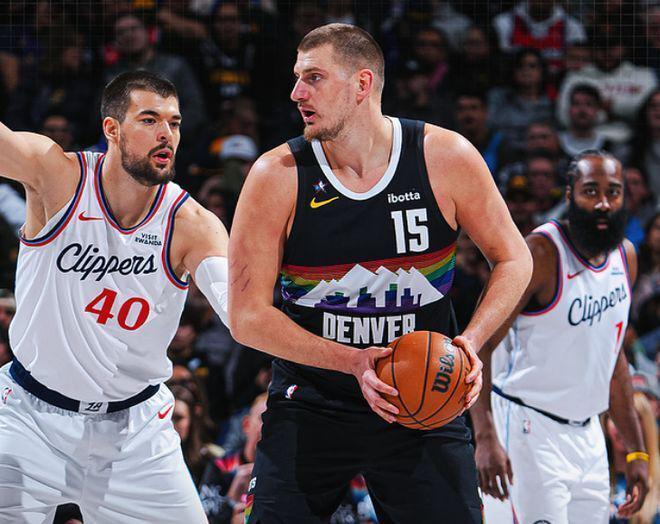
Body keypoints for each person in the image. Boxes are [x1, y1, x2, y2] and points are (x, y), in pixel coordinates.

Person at [228, 23, 532, 522]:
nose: (296, 93)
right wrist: (352, 362)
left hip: (426, 394)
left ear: (362, 84)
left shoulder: (444, 157)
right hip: (313, 401)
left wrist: (471, 342)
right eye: (297, 78)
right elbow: (246, 318)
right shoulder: (275, 176)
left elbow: (516, 259)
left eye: (313, 78)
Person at [0, 70, 230, 522]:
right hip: (28, 418)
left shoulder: (192, 223)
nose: (166, 134)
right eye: (149, 120)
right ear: (112, 128)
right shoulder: (57, 176)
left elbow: (240, 313)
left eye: (174, 123)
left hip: (135, 435)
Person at [472, 150, 649, 524]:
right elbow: (480, 344)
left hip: (589, 434)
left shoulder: (626, 257)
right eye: (591, 191)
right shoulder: (540, 253)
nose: (603, 203)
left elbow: (614, 357)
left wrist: (636, 451)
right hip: (527, 430)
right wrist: (485, 437)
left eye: (613, 192)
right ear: (569, 195)